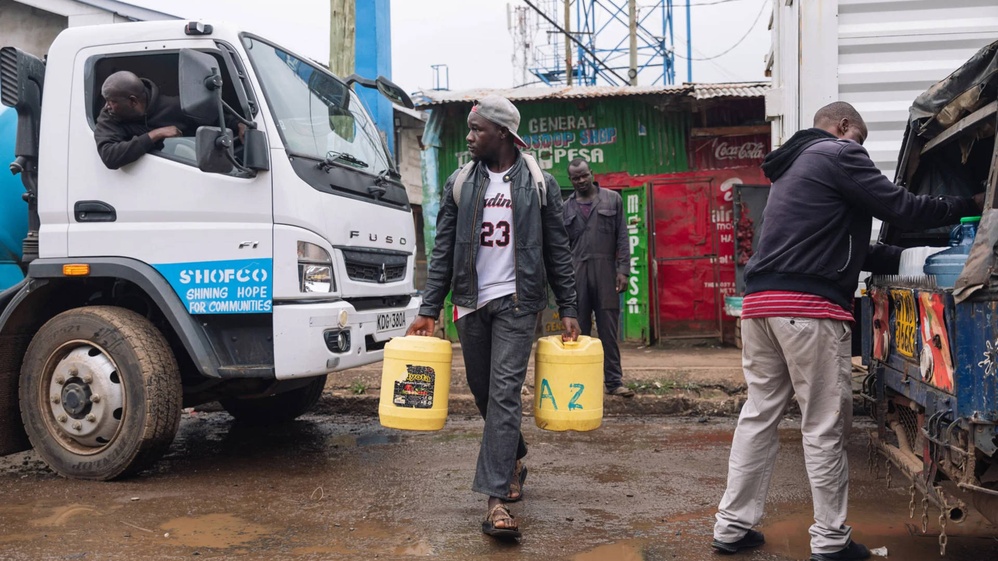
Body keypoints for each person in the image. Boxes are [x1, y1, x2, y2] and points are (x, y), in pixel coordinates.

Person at [711, 102, 981, 561]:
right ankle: (831, 541)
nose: (861, 150)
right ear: (842, 127)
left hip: (760, 307)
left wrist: (928, 247)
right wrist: (967, 206)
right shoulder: (837, 153)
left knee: (759, 416)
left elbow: (856, 249)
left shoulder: (793, 167)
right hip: (807, 310)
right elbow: (902, 206)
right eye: (861, 138)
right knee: (823, 425)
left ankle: (732, 526)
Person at [406, 95, 580, 540]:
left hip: (518, 303)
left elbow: (557, 250)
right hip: (470, 303)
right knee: (484, 393)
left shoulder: (538, 183)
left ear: (502, 133)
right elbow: (442, 247)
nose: (469, 137)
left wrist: (569, 308)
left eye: (477, 130)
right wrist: (430, 308)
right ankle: (514, 454)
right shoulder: (460, 182)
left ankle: (495, 501)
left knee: (504, 395)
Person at [563, 158, 633, 397]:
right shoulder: (565, 208)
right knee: (578, 332)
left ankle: (614, 383)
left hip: (606, 272)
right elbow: (562, 248)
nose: (581, 181)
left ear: (591, 173)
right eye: (575, 178)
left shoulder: (613, 199)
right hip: (576, 274)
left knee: (608, 331)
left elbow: (622, 237)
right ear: (570, 180)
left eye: (584, 175)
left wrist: (623, 270)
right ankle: (582, 384)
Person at [94, 71, 195, 169]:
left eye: (111, 101)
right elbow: (109, 156)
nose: (106, 106)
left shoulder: (174, 108)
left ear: (133, 101)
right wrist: (154, 135)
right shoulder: (109, 115)